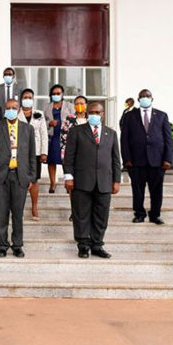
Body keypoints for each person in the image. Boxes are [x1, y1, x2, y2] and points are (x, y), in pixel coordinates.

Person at [63, 102, 121, 259]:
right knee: (81, 214)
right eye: (92, 112)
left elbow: (116, 159)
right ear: (87, 114)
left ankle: (97, 245)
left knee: (101, 215)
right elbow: (69, 156)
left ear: (103, 114)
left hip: (104, 182)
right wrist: (68, 176)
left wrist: (116, 180)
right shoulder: (76, 131)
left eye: (98, 112)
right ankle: (83, 245)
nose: (95, 115)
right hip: (82, 180)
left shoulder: (111, 133)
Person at [0, 99, 37, 258]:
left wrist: (32, 177)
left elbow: (31, 155)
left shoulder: (28, 129)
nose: (11, 110)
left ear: (19, 109)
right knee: (2, 212)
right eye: (8, 108)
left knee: (18, 213)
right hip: (0, 175)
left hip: (20, 176)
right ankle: (2, 245)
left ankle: (17, 245)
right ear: (4, 110)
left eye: (14, 108)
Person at [121, 89, 173, 225]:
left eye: (147, 96)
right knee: (138, 190)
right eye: (142, 96)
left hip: (157, 161)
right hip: (136, 161)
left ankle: (155, 214)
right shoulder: (130, 116)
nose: (145, 98)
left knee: (156, 190)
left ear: (152, 99)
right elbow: (124, 139)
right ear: (138, 100)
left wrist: (168, 159)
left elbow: (168, 139)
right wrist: (126, 159)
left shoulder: (161, 116)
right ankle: (139, 213)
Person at [17, 89, 48, 221]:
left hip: (35, 151)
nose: (27, 99)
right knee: (20, 179)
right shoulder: (15, 113)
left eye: (30, 97)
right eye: (25, 97)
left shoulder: (39, 114)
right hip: (19, 151)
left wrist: (44, 152)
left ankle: (34, 206)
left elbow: (44, 133)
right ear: (21, 99)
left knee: (34, 180)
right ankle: (19, 207)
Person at [44, 84, 75, 193]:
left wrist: (64, 123)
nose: (56, 95)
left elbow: (73, 119)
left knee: (65, 160)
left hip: (66, 136)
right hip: (52, 136)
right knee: (51, 161)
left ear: (62, 94)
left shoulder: (69, 106)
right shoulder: (47, 106)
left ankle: (68, 182)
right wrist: (49, 123)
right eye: (54, 93)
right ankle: (52, 184)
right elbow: (43, 121)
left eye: (58, 93)